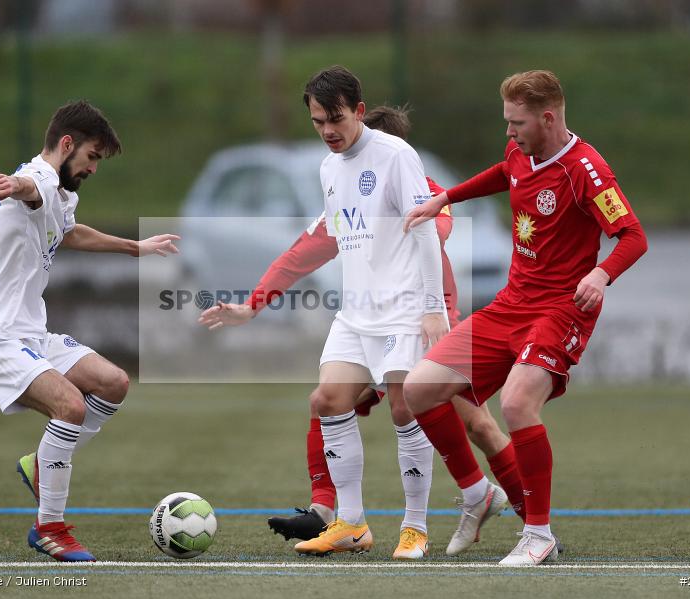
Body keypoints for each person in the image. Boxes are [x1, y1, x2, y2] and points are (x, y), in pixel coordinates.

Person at [199, 105, 532, 556]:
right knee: (329, 399)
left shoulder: (416, 183)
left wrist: (425, 288)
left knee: (478, 423)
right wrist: (254, 304)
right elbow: (303, 252)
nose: (338, 142)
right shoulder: (340, 184)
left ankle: (525, 519)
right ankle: (327, 511)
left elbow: (439, 226)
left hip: (424, 320)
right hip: (372, 322)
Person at [402, 70, 648, 565]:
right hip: (511, 302)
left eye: (517, 123)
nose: (509, 132)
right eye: (507, 122)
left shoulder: (586, 169)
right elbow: (504, 172)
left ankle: (539, 535)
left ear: (548, 117)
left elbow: (634, 237)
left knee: (516, 406)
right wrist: (447, 197)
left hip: (560, 309)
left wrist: (600, 276)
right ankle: (477, 494)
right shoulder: (521, 150)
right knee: (419, 388)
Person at [0, 100, 180, 563]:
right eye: (92, 157)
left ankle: (40, 464)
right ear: (66, 145)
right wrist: (11, 183)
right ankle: (50, 527)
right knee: (71, 405)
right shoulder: (40, 177)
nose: (94, 168)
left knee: (113, 383)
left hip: (29, 334)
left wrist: (133, 247)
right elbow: (28, 188)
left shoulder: (60, 197)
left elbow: (68, 231)